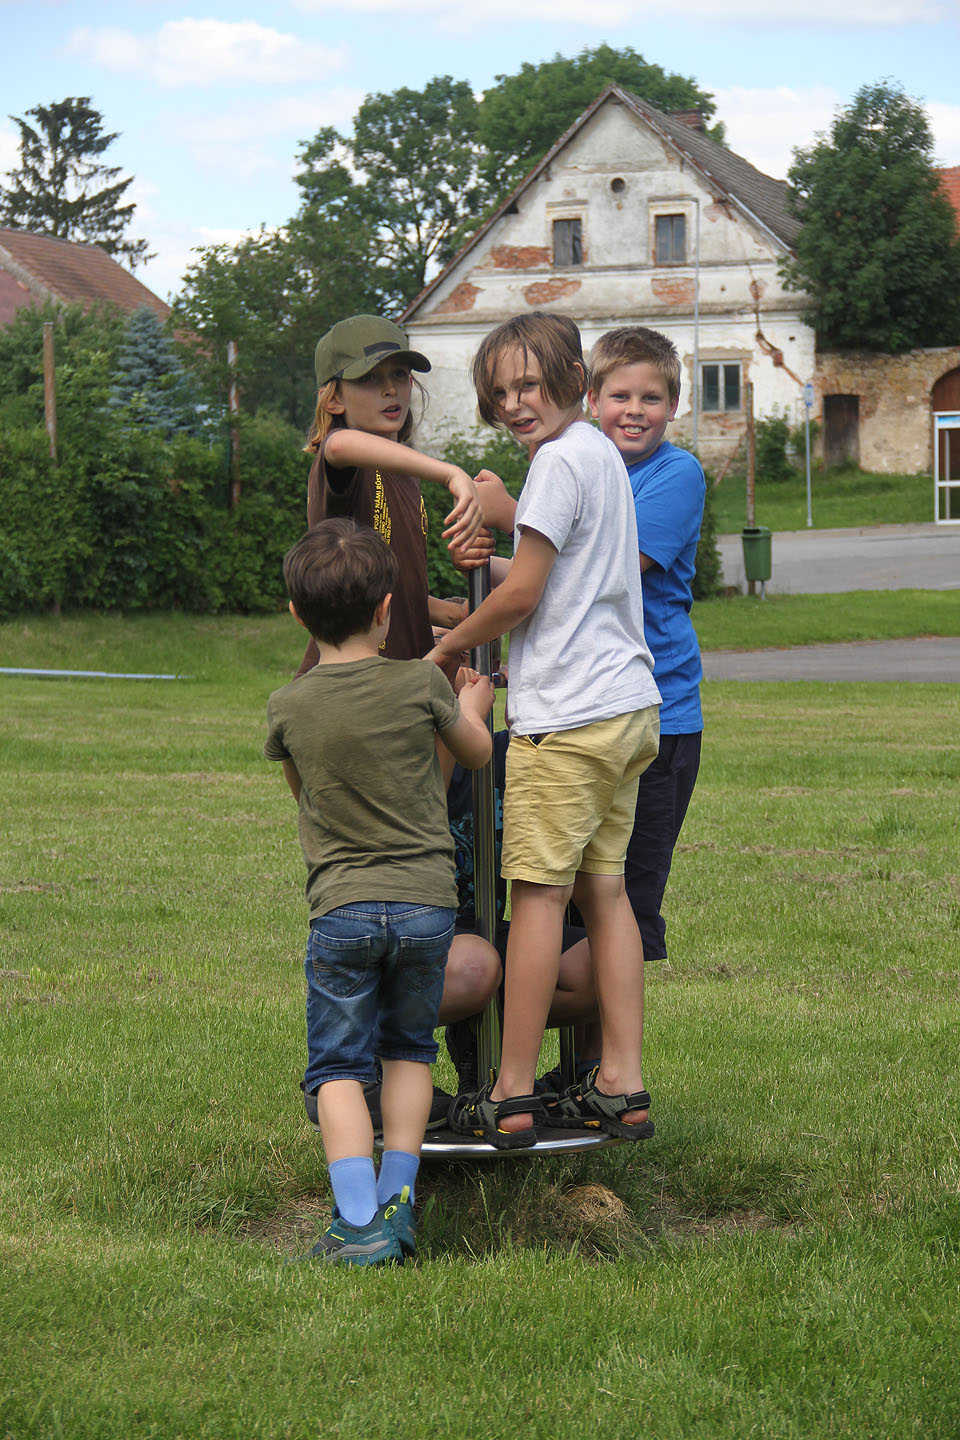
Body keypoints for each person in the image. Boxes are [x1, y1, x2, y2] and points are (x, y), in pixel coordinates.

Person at [427, 312, 662, 1149]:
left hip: (566, 722)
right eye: (499, 392)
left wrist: (449, 644)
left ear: (571, 375)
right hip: (630, 710)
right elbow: (557, 566)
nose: (515, 402)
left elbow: (523, 593)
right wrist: (497, 521)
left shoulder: (560, 461)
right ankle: (622, 1083)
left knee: (536, 903)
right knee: (606, 895)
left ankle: (512, 1092)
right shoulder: (598, 453)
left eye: (529, 383)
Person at [265, 518, 493, 1264]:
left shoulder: (290, 706)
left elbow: (306, 795)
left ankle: (357, 1221)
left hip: (343, 910)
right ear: (389, 609)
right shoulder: (423, 682)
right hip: (428, 907)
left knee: (337, 1065)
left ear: (298, 614)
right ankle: (399, 1199)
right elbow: (473, 753)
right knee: (407, 1051)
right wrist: (475, 709)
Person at [587, 327, 705, 970]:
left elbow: (609, 568)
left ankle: (609, 1065)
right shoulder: (582, 466)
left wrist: (511, 510)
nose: (635, 410)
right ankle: (579, 1066)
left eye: (652, 398)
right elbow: (533, 574)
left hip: (661, 714)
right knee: (583, 895)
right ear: (591, 399)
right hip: (592, 705)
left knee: (626, 897)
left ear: (674, 405)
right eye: (620, 395)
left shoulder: (675, 473)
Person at [294, 314, 486, 679]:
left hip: (398, 679)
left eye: (399, 375)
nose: (390, 390)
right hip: (348, 685)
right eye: (368, 379)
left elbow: (388, 589)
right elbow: (338, 444)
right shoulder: (341, 466)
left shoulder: (406, 478)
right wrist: (451, 474)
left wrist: (452, 617)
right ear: (333, 400)